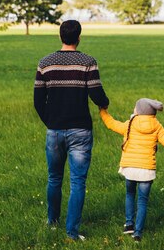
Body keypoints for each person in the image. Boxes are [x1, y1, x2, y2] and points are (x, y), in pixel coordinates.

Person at [33, 20, 110, 241]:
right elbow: (97, 94)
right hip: (81, 130)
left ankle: (52, 221)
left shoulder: (45, 63)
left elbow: (38, 101)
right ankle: (72, 232)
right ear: (79, 37)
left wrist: (50, 121)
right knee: (78, 182)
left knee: (54, 177)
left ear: (60, 36)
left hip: (54, 130)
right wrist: (105, 103)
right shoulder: (88, 62)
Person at [99, 98, 164, 242]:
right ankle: (137, 234)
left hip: (130, 168)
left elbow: (112, 124)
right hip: (146, 170)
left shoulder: (130, 124)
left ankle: (129, 224)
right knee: (142, 201)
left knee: (130, 194)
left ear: (138, 111)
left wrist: (103, 111)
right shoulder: (156, 125)